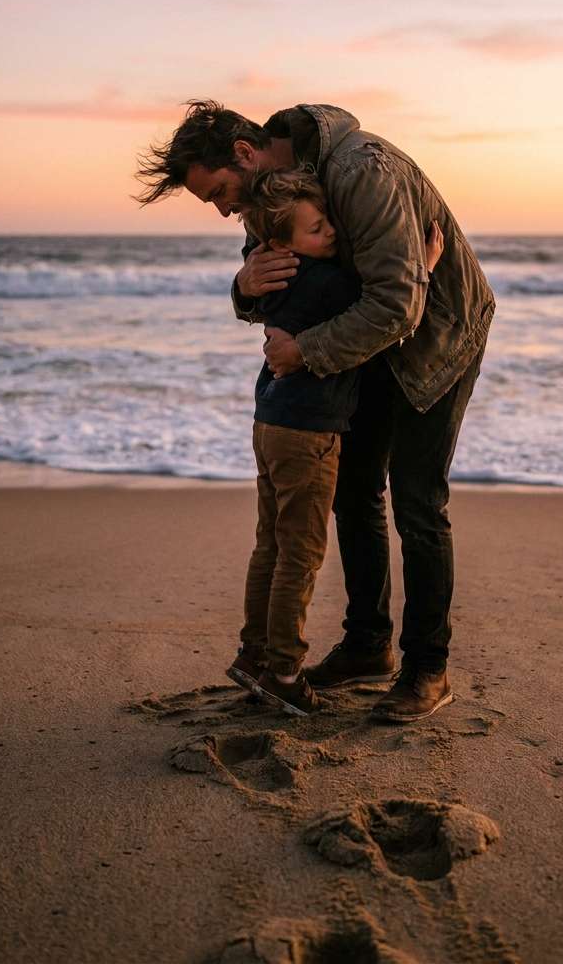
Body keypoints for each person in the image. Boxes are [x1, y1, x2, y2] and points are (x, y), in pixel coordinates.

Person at [136, 101, 495, 722]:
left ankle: (427, 669)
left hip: (434, 339)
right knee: (354, 493)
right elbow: (285, 288)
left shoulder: (363, 171)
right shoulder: (267, 200)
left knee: (417, 501)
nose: (224, 211)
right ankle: (366, 646)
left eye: (219, 192)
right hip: (359, 352)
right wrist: (244, 289)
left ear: (245, 154)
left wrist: (304, 351)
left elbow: (397, 306)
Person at [225, 165, 443, 716]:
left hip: (269, 423)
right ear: (281, 243)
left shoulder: (274, 281)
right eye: (317, 228)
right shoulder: (325, 284)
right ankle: (284, 670)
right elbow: (383, 302)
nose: (331, 235)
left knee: (270, 543)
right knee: (300, 553)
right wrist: (426, 266)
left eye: (328, 223)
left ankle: (253, 655)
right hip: (309, 435)